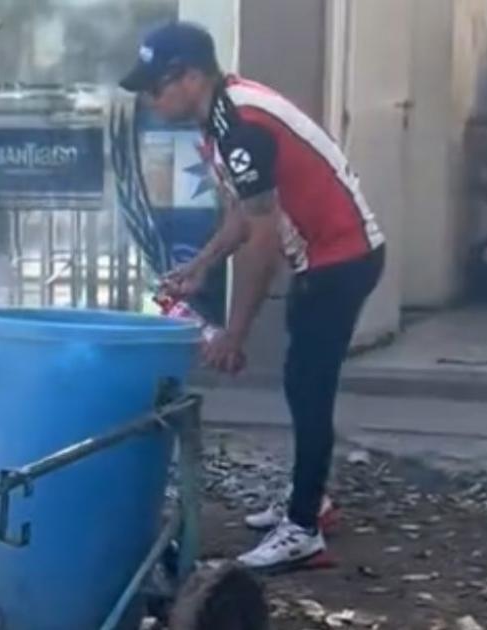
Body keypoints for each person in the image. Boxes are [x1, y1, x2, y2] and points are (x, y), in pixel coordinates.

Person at [119, 22, 385, 570]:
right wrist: (197, 268)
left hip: (340, 258)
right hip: (328, 254)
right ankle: (310, 499)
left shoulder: (240, 124)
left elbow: (262, 236)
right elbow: (244, 212)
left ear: (191, 76)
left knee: (308, 384)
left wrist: (236, 333)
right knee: (302, 381)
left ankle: (304, 527)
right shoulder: (220, 118)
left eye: (156, 85)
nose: (150, 98)